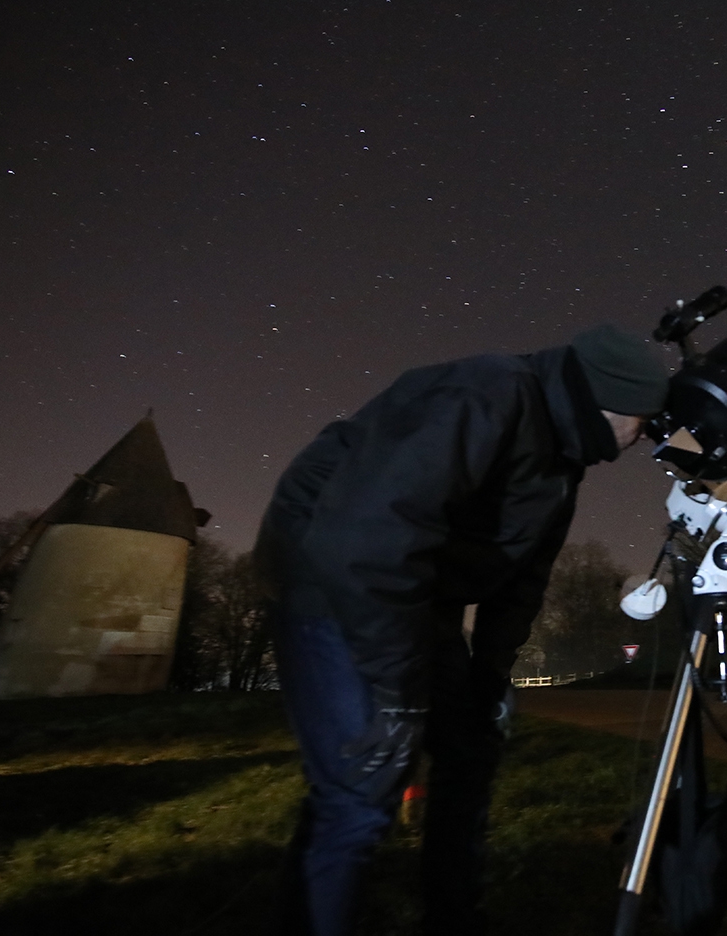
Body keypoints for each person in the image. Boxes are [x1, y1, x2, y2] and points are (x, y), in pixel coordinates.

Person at [254, 325, 669, 936]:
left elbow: (520, 580)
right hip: (332, 575)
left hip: (414, 590)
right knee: (363, 781)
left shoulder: (562, 461)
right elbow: (368, 539)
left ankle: (452, 915)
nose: (647, 438)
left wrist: (489, 678)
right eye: (645, 422)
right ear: (609, 405)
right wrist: (394, 697)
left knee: (469, 746)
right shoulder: (484, 394)